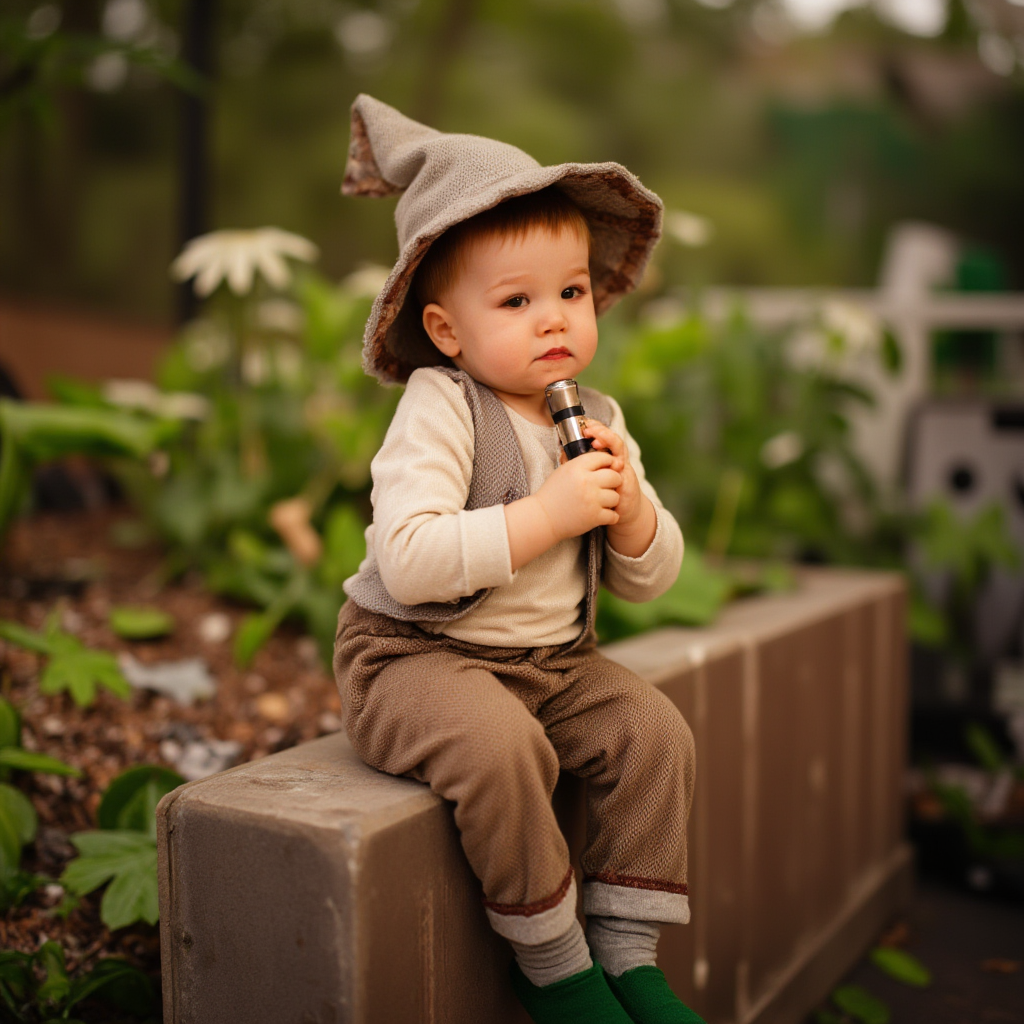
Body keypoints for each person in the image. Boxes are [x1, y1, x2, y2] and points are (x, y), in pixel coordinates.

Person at [333, 94, 703, 1024]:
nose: (554, 321)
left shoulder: (597, 418)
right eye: (516, 301)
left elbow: (652, 579)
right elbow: (409, 561)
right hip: (416, 659)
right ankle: (555, 968)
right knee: (503, 750)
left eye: (571, 292)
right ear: (447, 330)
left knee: (656, 734)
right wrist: (546, 514)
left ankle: (629, 955)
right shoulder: (443, 405)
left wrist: (630, 513)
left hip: (551, 666)